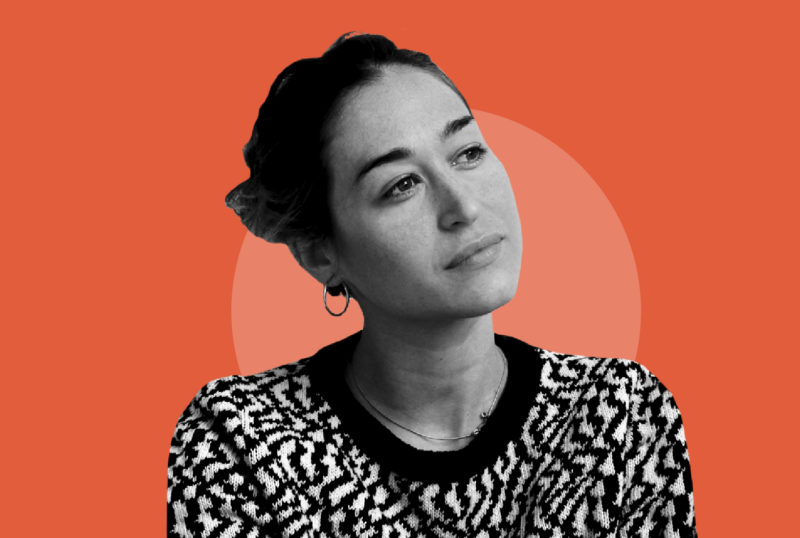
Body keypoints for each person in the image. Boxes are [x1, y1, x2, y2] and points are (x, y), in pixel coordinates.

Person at [167, 33, 696, 537]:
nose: (464, 205)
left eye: (468, 153)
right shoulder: (238, 440)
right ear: (319, 253)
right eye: (401, 185)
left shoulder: (620, 413)